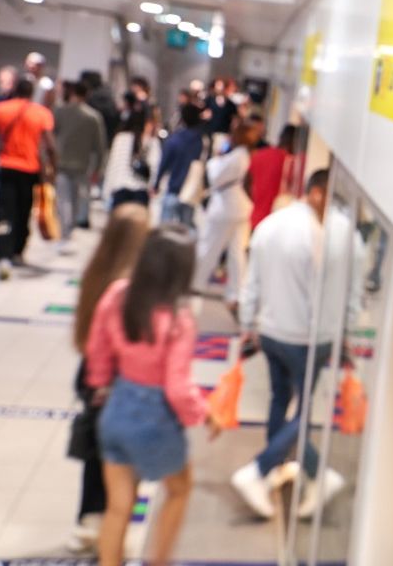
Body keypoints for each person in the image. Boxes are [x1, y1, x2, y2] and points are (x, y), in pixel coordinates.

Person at [86, 224, 221, 566]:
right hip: (154, 418)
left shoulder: (117, 295)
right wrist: (203, 413)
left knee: (118, 506)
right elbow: (177, 387)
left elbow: (97, 353)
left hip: (116, 409)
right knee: (179, 490)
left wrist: (102, 385)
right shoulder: (178, 320)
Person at [230, 169, 347, 520]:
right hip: (306, 338)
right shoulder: (325, 235)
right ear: (316, 193)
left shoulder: (268, 227)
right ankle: (263, 470)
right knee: (304, 411)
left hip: (271, 332)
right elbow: (327, 295)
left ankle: (278, 467)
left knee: (279, 399)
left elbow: (252, 283)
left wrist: (248, 324)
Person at [67, 204, 150, 554]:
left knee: (96, 451)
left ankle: (89, 518)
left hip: (90, 374)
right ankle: (106, 529)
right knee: (116, 459)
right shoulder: (127, 287)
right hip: (114, 379)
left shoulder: (97, 272)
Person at [0, 77, 58, 280]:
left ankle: (2, 255)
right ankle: (17, 251)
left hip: (7, 167)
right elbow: (50, 147)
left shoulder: (0, 109)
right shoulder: (41, 113)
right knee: (23, 212)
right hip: (29, 170)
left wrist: (0, 151)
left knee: (4, 213)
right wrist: (53, 171)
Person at [191, 117, 256, 307]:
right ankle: (236, 292)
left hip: (226, 207)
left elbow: (215, 177)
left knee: (210, 245)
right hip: (237, 207)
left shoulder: (238, 155)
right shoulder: (241, 154)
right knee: (237, 252)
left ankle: (198, 282)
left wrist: (215, 161)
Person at [54, 80, 109, 250]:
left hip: (61, 163)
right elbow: (100, 146)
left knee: (63, 200)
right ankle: (68, 232)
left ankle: (64, 232)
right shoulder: (93, 117)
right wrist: (98, 168)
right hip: (82, 165)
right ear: (86, 95)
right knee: (76, 199)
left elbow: (50, 137)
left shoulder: (60, 112)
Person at [154, 103, 207, 226]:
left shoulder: (175, 139)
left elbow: (164, 163)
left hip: (174, 187)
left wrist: (156, 183)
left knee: (164, 229)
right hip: (191, 190)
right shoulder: (202, 140)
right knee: (186, 229)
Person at [102, 105, 159, 209]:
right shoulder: (152, 142)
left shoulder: (120, 138)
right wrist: (153, 187)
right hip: (141, 191)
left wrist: (106, 190)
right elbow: (155, 167)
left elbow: (112, 165)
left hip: (119, 188)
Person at [247, 124, 299, 231]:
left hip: (254, 217)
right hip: (275, 223)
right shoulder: (291, 163)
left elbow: (246, 183)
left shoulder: (259, 155)